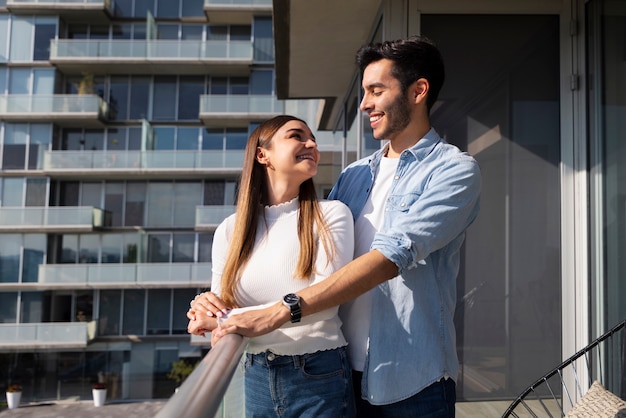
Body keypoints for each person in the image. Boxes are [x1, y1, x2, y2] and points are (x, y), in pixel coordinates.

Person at [194, 35, 481, 417]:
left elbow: (392, 256)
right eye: (363, 92)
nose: (364, 104)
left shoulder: (454, 170)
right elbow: (301, 252)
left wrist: (278, 311)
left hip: (412, 380)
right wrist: (215, 301)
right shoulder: (354, 174)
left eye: (376, 91)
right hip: (337, 373)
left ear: (418, 90)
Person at [187, 115, 356, 418]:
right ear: (263, 155)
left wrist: (223, 319)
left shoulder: (331, 214)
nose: (311, 144)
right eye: (297, 136)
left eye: (312, 138)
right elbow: (220, 311)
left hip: (319, 375)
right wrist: (204, 306)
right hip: (256, 374)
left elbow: (328, 301)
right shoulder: (230, 230)